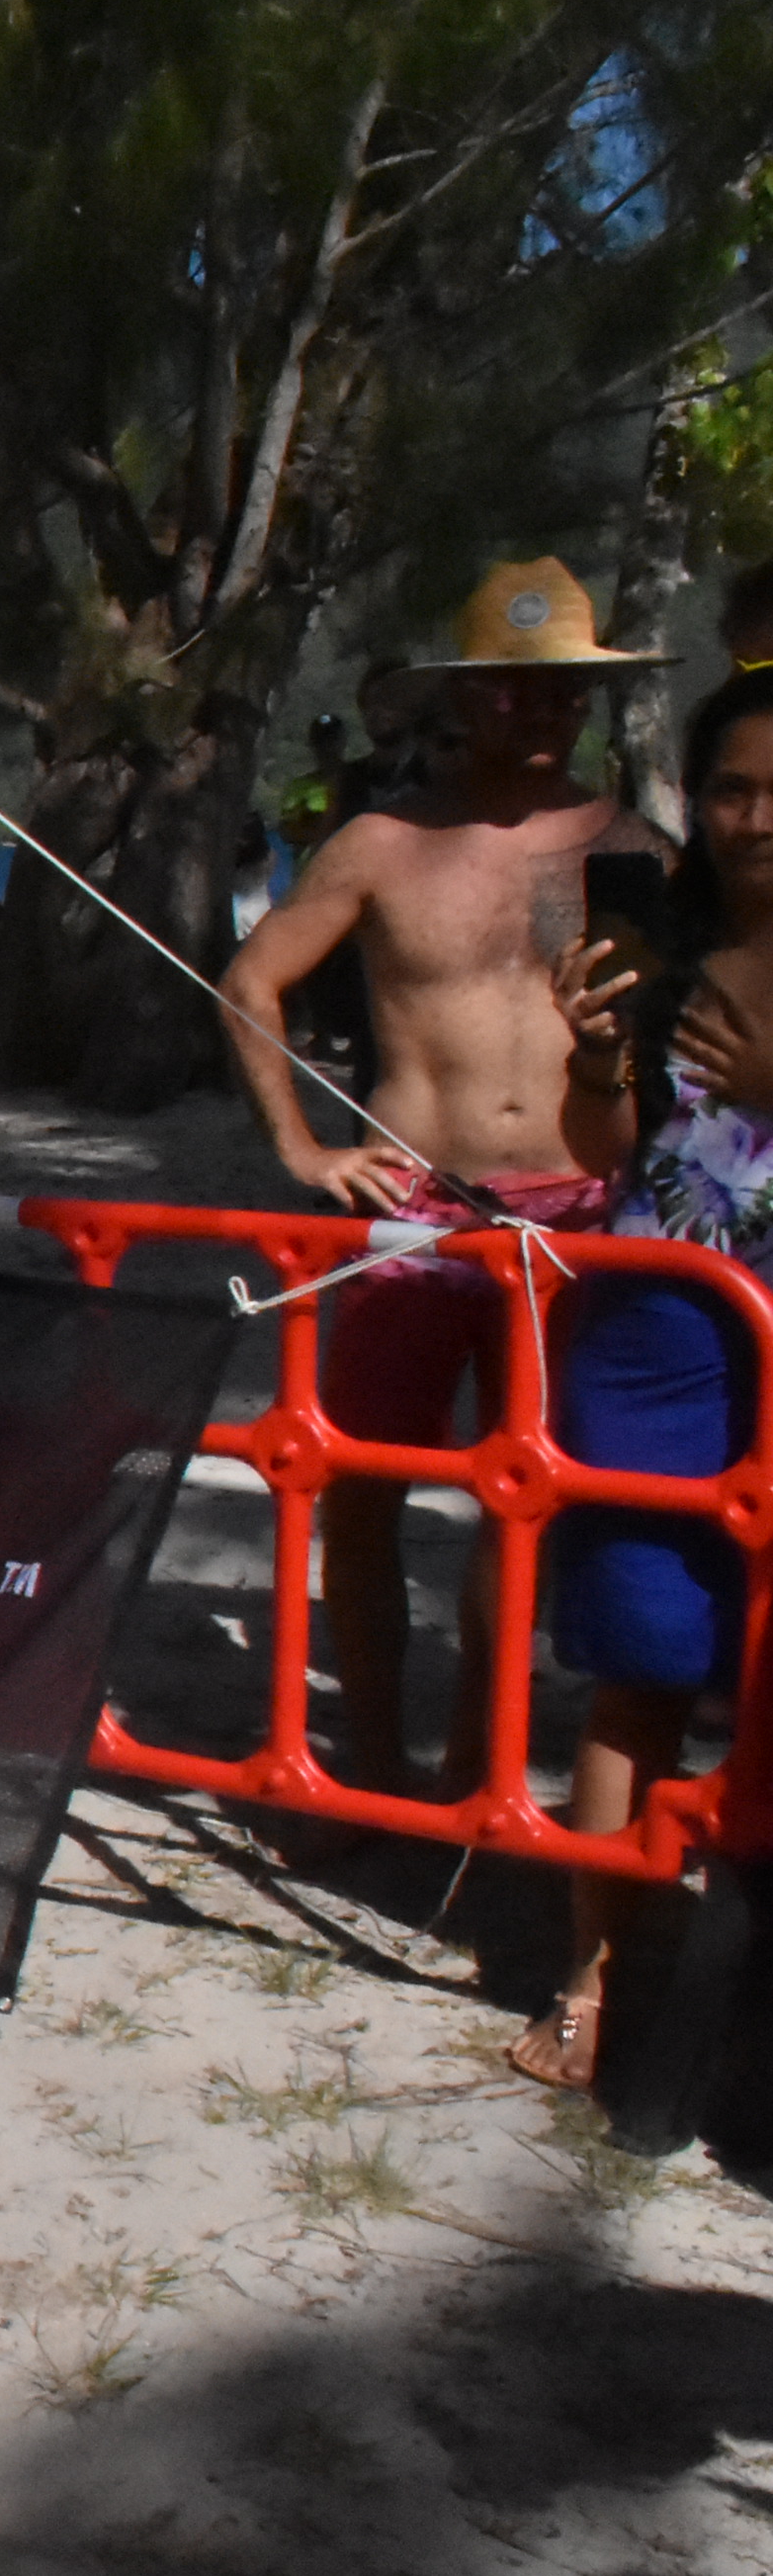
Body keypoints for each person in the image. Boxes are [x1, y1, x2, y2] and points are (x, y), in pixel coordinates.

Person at [218, 557, 672, 1799]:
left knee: (518, 1509)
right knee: (356, 1493)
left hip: (577, 1213)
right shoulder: (379, 843)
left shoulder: (631, 849)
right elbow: (250, 981)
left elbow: (682, 1039)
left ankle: (479, 1773)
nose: (539, 713)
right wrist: (301, 1147)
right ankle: (365, 1766)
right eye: (513, 691)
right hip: (411, 1212)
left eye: (561, 694)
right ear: (464, 697)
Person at [519, 666, 773, 2087]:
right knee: (634, 1671)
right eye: (732, 787)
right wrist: (603, 1054)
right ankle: (601, 1977)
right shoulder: (652, 942)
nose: (756, 818)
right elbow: (604, 1149)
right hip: (654, 1340)